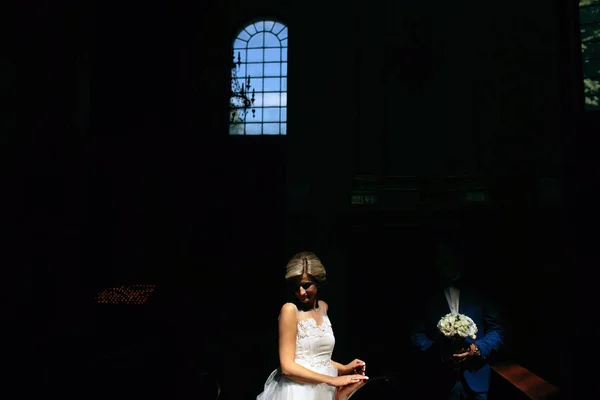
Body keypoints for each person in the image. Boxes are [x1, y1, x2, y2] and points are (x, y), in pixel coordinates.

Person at [257, 251, 369, 400]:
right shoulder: (290, 310)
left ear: (318, 282)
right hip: (298, 391)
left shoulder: (323, 307)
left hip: (323, 388)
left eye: (306, 285)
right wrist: (333, 380)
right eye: (296, 287)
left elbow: (314, 356)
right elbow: (287, 367)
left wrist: (344, 368)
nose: (301, 292)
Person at [410, 240, 504, 400]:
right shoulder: (426, 297)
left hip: (477, 379)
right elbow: (416, 335)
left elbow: (497, 331)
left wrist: (477, 349)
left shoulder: (480, 292)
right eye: (438, 257)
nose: (442, 261)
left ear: (458, 258)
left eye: (447, 256)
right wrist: (438, 351)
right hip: (439, 381)